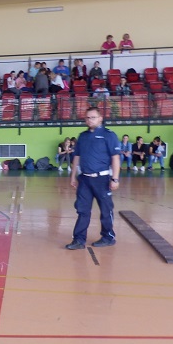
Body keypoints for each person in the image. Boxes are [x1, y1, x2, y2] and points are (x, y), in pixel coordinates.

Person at [66, 107, 121, 250]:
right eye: (87, 118)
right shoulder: (82, 136)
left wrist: (115, 178)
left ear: (100, 118)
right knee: (82, 210)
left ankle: (108, 237)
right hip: (84, 179)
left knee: (106, 209)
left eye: (93, 117)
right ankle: (79, 240)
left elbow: (115, 158)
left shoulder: (108, 135)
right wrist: (73, 176)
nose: (90, 120)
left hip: (102, 179)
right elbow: (77, 157)